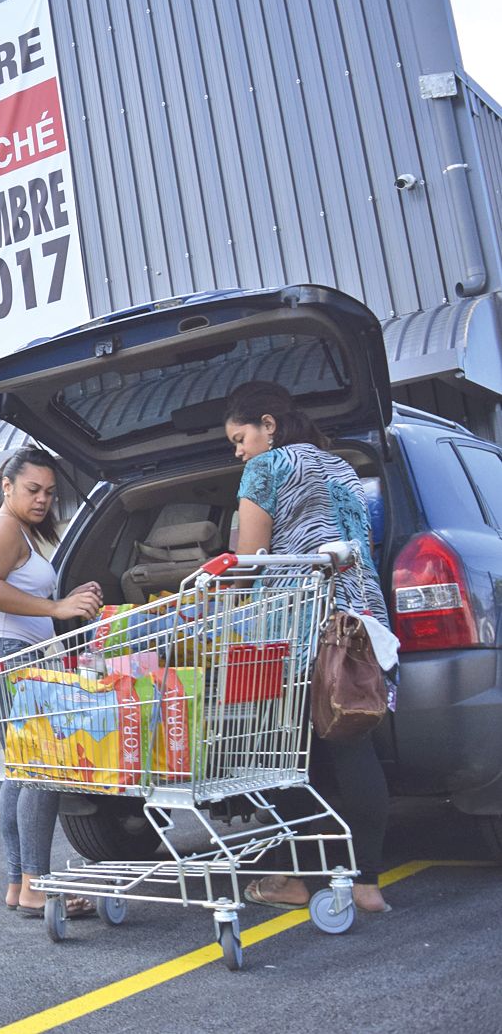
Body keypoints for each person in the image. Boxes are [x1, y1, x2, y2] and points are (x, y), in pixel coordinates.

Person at [223, 381, 394, 915]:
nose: (239, 450)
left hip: (302, 624)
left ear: (268, 424)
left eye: (240, 436)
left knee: (269, 752)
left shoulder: (267, 468)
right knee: (352, 746)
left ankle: (294, 877)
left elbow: (249, 562)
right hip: (362, 624)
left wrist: (220, 606)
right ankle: (365, 883)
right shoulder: (341, 467)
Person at [0, 447, 103, 917]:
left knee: (22, 773)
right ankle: (36, 887)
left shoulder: (19, 530)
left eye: (48, 492)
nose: (42, 499)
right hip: (2, 657)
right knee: (44, 771)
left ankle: (17, 884)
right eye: (32, 489)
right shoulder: (2, 526)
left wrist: (68, 598)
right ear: (7, 485)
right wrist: (56, 608)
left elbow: (18, 589)